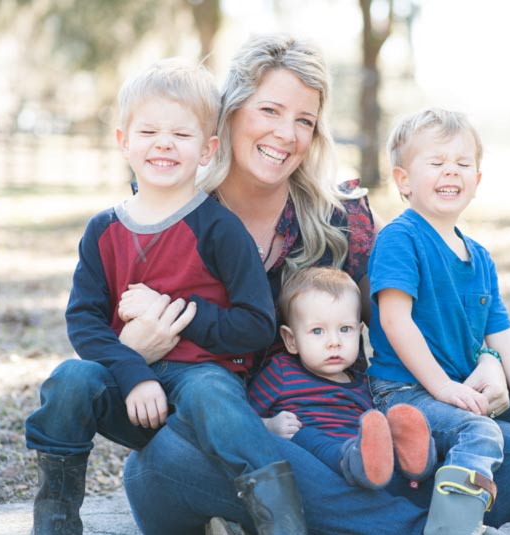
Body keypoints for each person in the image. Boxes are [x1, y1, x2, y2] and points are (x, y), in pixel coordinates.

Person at [117, 35, 510, 535]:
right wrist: (131, 351)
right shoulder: (168, 215)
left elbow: (412, 317)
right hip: (246, 441)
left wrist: (488, 360)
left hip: (353, 430)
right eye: (270, 110)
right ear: (230, 112)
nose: (285, 134)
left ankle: (337, 515)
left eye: (304, 120)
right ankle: (414, 525)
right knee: (170, 457)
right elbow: (115, 352)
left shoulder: (343, 220)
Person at [24, 58, 310, 535]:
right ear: (123, 142)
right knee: (70, 379)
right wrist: (134, 375)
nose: (163, 143)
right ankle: (55, 520)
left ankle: (283, 523)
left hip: (203, 381)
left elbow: (256, 324)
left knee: (215, 395)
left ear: (207, 149)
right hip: (129, 385)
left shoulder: (219, 228)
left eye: (181, 134)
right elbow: (84, 323)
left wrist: (174, 315)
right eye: (149, 131)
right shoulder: (103, 231)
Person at [367, 107, 510, 535]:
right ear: (403, 180)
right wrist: (441, 386)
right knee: (479, 432)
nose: (452, 172)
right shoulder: (401, 237)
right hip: (406, 390)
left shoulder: (479, 257)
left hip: (459, 384)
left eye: (463, 164)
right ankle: (455, 526)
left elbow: (503, 336)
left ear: (477, 181)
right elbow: (396, 321)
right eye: (437, 162)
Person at [249, 266, 437, 491]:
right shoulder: (280, 372)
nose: (334, 342)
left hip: (372, 467)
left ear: (359, 332)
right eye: (318, 331)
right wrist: (269, 425)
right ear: (291, 340)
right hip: (318, 466)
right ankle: (356, 460)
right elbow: (243, 418)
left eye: (345, 329)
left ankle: (417, 464)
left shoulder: (366, 384)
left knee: (383, 428)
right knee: (304, 434)